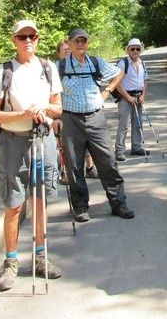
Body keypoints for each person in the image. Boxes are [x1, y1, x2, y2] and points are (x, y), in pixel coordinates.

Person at [0, 20, 63, 291]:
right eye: (22, 36)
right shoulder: (4, 71)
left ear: (38, 38)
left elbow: (59, 108)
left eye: (32, 35)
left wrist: (45, 108)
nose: (27, 40)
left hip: (43, 139)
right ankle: (11, 262)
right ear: (14, 40)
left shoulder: (48, 67)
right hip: (13, 142)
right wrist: (22, 115)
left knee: (41, 200)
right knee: (14, 204)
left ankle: (41, 256)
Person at [57, 28, 134, 221]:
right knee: (75, 165)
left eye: (84, 40)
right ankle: (81, 207)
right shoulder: (60, 66)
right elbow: (50, 90)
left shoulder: (96, 62)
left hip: (95, 117)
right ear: (70, 43)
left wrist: (107, 91)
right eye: (77, 40)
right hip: (71, 119)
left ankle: (118, 203)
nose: (81, 43)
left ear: (87, 43)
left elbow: (119, 73)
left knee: (108, 160)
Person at [56, 39, 97, 178]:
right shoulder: (57, 68)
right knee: (66, 145)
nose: (67, 52)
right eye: (64, 50)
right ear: (59, 54)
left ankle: (89, 167)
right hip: (63, 112)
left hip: (81, 112)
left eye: (69, 49)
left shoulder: (79, 64)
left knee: (86, 142)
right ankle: (65, 171)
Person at [114, 38, 149, 161]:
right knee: (123, 125)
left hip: (138, 96)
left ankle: (137, 147)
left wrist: (143, 95)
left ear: (141, 50)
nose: (135, 51)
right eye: (132, 48)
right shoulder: (123, 63)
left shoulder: (142, 63)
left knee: (138, 123)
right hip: (125, 97)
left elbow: (145, 80)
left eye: (137, 48)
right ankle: (119, 150)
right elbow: (117, 83)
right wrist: (128, 97)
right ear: (128, 50)